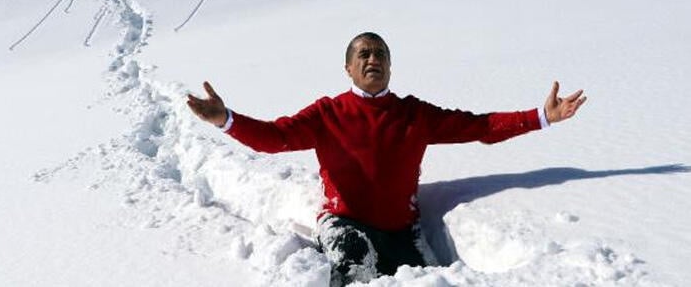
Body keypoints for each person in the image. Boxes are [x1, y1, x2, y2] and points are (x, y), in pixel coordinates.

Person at [186, 32, 586, 286]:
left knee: (430, 281)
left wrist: (541, 117)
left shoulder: (415, 114)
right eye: (363, 53)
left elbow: (478, 127)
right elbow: (273, 139)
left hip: (403, 230)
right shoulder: (327, 113)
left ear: (390, 66)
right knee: (355, 264)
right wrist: (225, 119)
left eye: (379, 53)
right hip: (344, 223)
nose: (372, 59)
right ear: (348, 67)